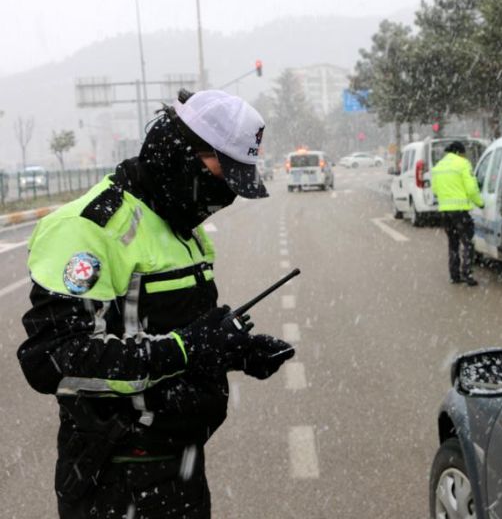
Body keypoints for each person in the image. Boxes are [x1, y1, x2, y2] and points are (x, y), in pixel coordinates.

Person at [17, 89, 294, 518]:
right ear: (183, 154)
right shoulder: (90, 228)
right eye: (224, 175)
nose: (226, 196)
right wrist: (184, 348)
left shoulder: (182, 228)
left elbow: (180, 331)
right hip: (114, 478)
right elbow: (55, 360)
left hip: (180, 468)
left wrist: (235, 350)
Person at [431, 141, 484, 286]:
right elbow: (472, 189)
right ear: (459, 152)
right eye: (463, 152)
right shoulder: (463, 164)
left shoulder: (438, 166)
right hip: (460, 211)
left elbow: (435, 190)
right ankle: (467, 274)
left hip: (445, 213)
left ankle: (454, 275)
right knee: (468, 243)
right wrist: (480, 203)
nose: (464, 155)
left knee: (453, 243)